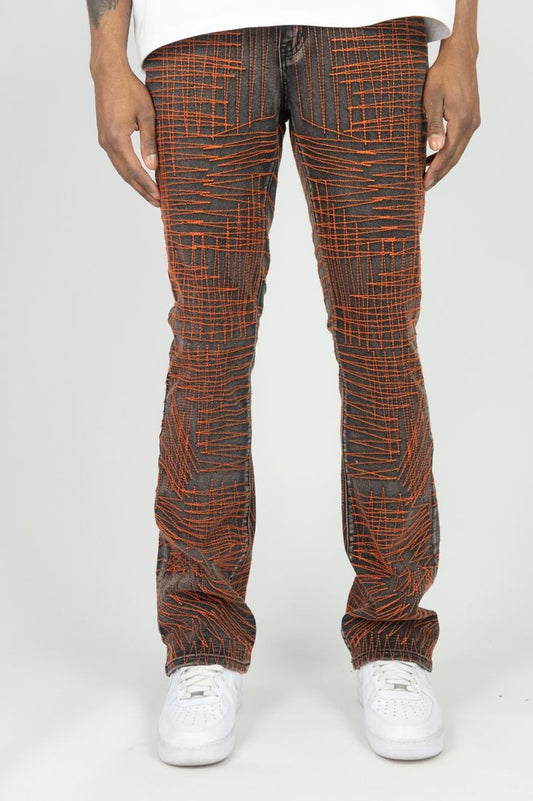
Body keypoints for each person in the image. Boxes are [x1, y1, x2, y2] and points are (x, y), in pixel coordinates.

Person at [87, 0, 480, 767]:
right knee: (207, 346)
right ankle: (202, 644)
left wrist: (463, 41)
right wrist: (106, 54)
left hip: (374, 27)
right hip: (197, 31)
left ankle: (393, 637)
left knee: (379, 339)